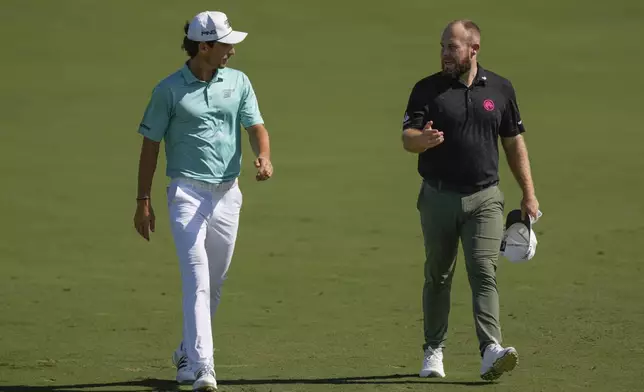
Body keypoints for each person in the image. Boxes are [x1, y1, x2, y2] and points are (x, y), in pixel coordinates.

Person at [132, 10, 273, 392]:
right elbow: (150, 146)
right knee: (196, 279)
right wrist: (143, 199)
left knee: (215, 282)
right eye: (225, 44)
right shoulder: (168, 90)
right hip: (186, 194)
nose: (231, 50)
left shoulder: (238, 82)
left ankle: (186, 354)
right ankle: (204, 366)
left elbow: (256, 126)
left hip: (228, 195)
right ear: (204, 46)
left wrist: (264, 155)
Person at [401, 19, 539, 381]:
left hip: (485, 199)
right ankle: (434, 352)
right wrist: (422, 141)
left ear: (473, 49)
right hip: (438, 197)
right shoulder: (427, 90)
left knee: (483, 272)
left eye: (453, 47)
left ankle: (490, 349)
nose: (446, 53)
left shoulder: (500, 89)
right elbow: (408, 137)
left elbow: (513, 143)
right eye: (443, 46)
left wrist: (528, 192)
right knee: (438, 274)